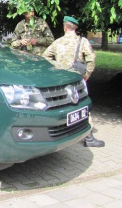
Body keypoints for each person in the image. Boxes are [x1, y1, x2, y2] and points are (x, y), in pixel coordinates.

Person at [42, 16, 105, 147]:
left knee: (63, 106)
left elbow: (45, 57)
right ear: (75, 27)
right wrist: (86, 75)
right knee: (81, 105)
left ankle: (63, 133)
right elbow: (91, 60)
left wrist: (54, 68)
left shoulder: (57, 42)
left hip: (59, 80)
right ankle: (89, 137)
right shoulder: (82, 41)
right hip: (76, 80)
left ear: (65, 27)